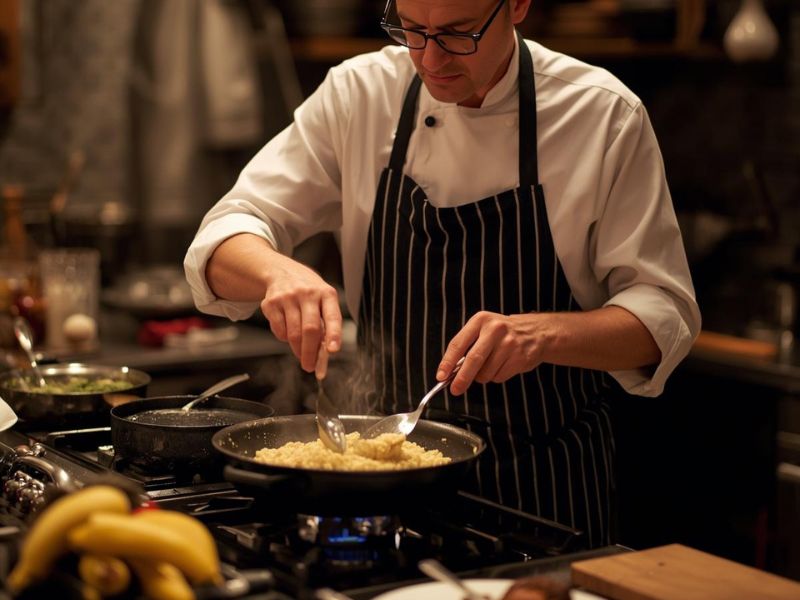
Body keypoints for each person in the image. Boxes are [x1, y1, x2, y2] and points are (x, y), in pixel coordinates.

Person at [184, 0, 701, 547]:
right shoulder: (359, 95)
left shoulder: (600, 114)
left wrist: (543, 334)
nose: (429, 58)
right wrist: (275, 273)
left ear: (517, 6)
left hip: (542, 489)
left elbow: (662, 316)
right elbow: (223, 236)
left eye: (457, 35)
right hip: (385, 486)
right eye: (411, 30)